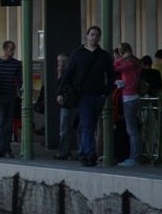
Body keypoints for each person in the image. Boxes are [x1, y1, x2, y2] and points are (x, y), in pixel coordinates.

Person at [58, 26, 115, 167]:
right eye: (92, 34)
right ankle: (90, 152)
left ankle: (83, 152)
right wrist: (60, 92)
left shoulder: (104, 56)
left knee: (89, 125)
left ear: (99, 38)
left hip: (98, 95)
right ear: (87, 36)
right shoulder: (77, 54)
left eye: (97, 35)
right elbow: (69, 73)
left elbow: (111, 74)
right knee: (87, 123)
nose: (94, 37)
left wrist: (106, 91)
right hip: (82, 95)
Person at [0, 41, 21, 158]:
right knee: (0, 122)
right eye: (11, 49)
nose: (13, 52)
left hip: (10, 96)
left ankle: (5, 148)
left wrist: (21, 92)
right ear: (5, 49)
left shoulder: (16, 64)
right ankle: (2, 147)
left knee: (8, 123)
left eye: (13, 50)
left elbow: (20, 80)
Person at [113, 43, 143, 167]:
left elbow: (114, 67)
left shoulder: (128, 64)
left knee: (131, 130)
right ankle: (134, 156)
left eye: (121, 51)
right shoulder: (136, 64)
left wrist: (121, 58)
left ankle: (134, 158)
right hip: (134, 96)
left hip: (128, 98)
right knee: (133, 129)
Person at [52, 53, 77, 160]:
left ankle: (65, 151)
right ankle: (66, 151)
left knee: (65, 128)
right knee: (66, 128)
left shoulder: (69, 73)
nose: (59, 65)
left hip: (69, 102)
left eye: (61, 62)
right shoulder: (63, 73)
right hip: (68, 102)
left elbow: (62, 86)